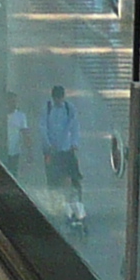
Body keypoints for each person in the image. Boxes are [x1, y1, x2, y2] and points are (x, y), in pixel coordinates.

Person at [39, 84, 86, 221]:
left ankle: (78, 204)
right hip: (52, 151)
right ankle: (54, 206)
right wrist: (48, 145)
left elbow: (75, 126)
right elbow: (42, 128)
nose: (59, 101)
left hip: (67, 149)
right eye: (57, 98)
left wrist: (75, 143)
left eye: (61, 98)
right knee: (52, 179)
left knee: (74, 176)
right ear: (53, 97)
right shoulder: (47, 109)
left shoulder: (69, 108)